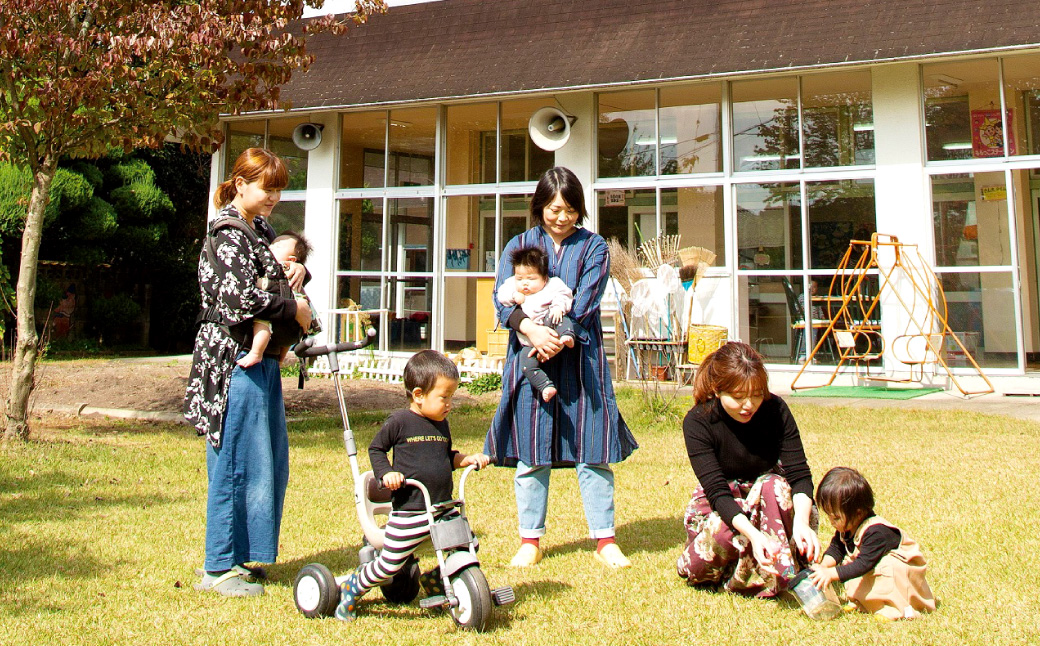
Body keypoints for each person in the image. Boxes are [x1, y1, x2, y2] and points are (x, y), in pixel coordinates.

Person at [484, 167, 638, 569]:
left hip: (580, 357)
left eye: (570, 209)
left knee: (593, 446)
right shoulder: (519, 245)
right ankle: (530, 540)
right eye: (554, 209)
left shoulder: (594, 246)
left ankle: (605, 539)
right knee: (531, 449)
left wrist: (556, 335)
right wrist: (531, 330)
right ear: (540, 206)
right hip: (530, 360)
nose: (562, 217)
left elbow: (586, 300)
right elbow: (502, 299)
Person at [184, 147, 312, 597]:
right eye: (266, 187)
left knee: (261, 459)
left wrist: (300, 273)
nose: (274, 197)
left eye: (279, 189)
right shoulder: (227, 233)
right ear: (240, 184)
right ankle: (218, 567)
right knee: (235, 459)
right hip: (232, 359)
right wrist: (293, 309)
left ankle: (239, 558)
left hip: (257, 358)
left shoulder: (260, 229)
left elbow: (273, 277)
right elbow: (238, 298)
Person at [335, 350, 490, 621]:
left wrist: (467, 459)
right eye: (444, 397)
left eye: (452, 396)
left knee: (469, 544)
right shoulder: (400, 422)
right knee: (388, 566)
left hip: (442, 508)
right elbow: (376, 449)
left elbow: (446, 457)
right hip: (411, 511)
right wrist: (386, 474)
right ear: (418, 395)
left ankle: (434, 579)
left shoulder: (441, 424)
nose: (449, 404)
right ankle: (353, 586)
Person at [677, 341, 820, 596]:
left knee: (773, 485)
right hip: (726, 506)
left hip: (771, 505)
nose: (749, 405)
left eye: (756, 395)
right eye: (738, 397)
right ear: (717, 390)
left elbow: (799, 474)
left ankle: (779, 571)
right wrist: (754, 535)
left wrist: (801, 523)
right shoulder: (698, 422)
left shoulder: (776, 410)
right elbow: (717, 492)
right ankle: (739, 571)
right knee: (713, 543)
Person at [809, 466, 936, 620]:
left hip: (903, 581)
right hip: (873, 570)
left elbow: (863, 564)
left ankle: (895, 609)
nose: (831, 522)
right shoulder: (846, 529)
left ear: (858, 513)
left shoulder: (876, 532)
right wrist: (823, 566)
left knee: (884, 566)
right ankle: (864, 602)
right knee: (851, 563)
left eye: (836, 517)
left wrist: (831, 573)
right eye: (829, 515)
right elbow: (836, 549)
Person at [495, 245, 576, 402]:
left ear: (544, 278)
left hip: (550, 325)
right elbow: (500, 295)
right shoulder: (512, 286)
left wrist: (558, 307)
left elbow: (565, 295)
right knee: (525, 363)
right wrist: (513, 295)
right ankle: (545, 386)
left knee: (559, 318)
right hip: (528, 341)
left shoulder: (552, 285)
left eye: (531, 279)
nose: (524, 283)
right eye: (520, 279)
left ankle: (567, 336)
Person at [238, 231, 320, 368]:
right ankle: (281, 359)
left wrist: (256, 283)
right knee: (287, 340)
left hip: (283, 309)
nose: (270, 248)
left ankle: (256, 352)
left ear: (292, 259)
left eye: (277, 247)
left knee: (262, 322)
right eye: (272, 245)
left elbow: (269, 283)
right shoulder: (294, 269)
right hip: (296, 320)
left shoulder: (280, 267)